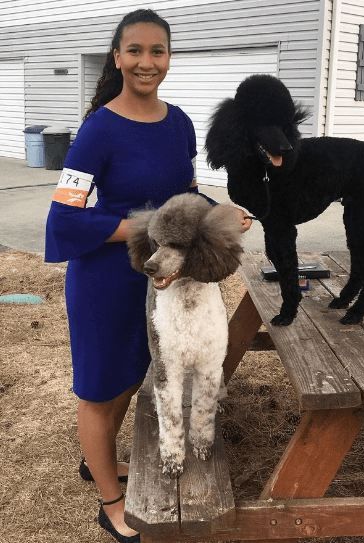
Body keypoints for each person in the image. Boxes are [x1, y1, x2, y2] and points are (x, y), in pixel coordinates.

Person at [45, 9, 251, 543]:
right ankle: (110, 503)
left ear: (168, 58)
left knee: (135, 373)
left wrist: (222, 213)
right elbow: (65, 215)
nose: (146, 62)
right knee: (98, 387)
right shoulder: (97, 130)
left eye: (157, 51)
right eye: (134, 51)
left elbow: (184, 194)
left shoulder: (179, 121)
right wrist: (152, 228)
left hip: (160, 281)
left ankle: (102, 461)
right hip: (106, 279)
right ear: (117, 58)